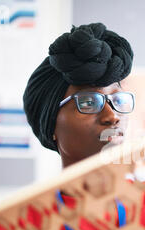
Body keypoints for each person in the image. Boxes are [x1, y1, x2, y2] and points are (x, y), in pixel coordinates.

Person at [23, 22, 135, 168]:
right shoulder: (38, 192)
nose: (112, 117)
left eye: (118, 100)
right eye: (88, 102)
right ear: (50, 125)